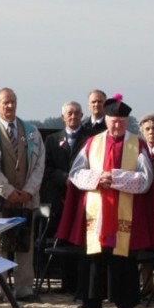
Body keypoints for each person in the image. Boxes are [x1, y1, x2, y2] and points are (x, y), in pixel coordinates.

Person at [57, 94, 154, 308]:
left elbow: (145, 179)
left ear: (127, 122)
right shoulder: (92, 143)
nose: (117, 124)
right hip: (97, 207)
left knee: (123, 256)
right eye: (114, 120)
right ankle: (91, 300)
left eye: (122, 122)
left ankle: (125, 302)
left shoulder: (137, 144)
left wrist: (116, 177)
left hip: (126, 209)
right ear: (106, 120)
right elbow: (76, 173)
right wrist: (98, 178)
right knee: (94, 254)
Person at [0, 88, 44, 302]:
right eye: (5, 102)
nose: (10, 106)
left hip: (26, 199)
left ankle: (25, 289)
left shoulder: (32, 132)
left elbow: (39, 164)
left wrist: (28, 191)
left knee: (25, 246)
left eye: (13, 101)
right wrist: (8, 191)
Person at [40, 100, 84, 292]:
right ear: (63, 117)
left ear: (82, 116)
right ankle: (66, 283)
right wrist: (64, 178)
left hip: (83, 197)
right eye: (69, 113)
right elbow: (47, 167)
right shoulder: (52, 140)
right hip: (60, 197)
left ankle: (80, 284)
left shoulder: (90, 138)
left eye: (77, 113)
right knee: (63, 238)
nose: (73, 117)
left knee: (80, 240)